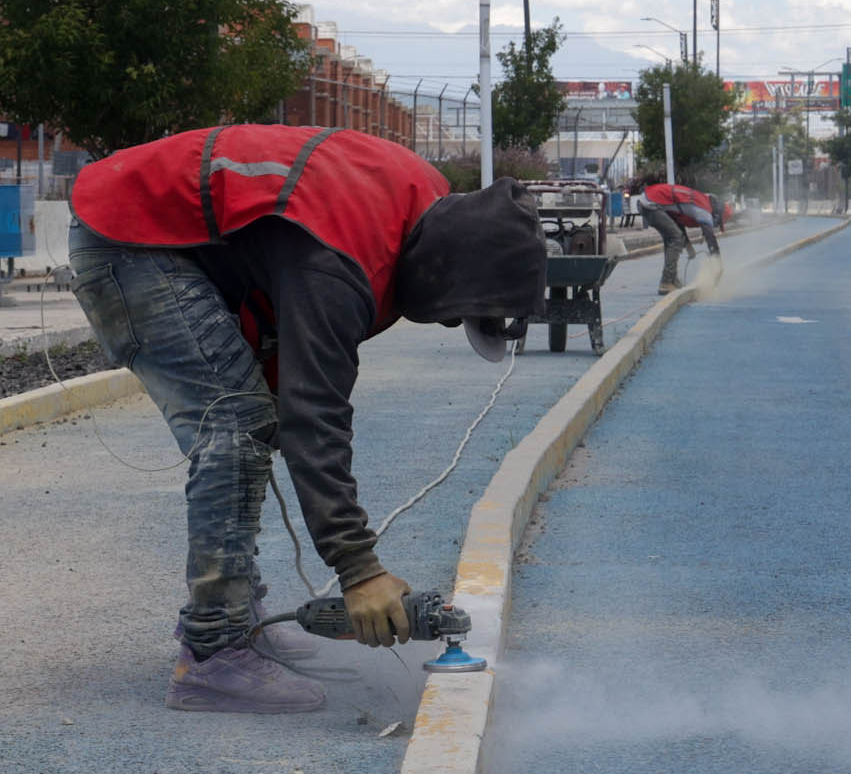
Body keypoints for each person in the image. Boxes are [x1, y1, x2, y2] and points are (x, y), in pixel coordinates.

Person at [68, 124, 547, 715]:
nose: (448, 325)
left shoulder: (422, 201)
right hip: (130, 235)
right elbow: (314, 413)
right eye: (459, 316)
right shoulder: (346, 251)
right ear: (451, 273)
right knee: (235, 425)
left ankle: (238, 620)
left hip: (161, 228)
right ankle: (213, 651)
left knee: (249, 420)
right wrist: (358, 568)